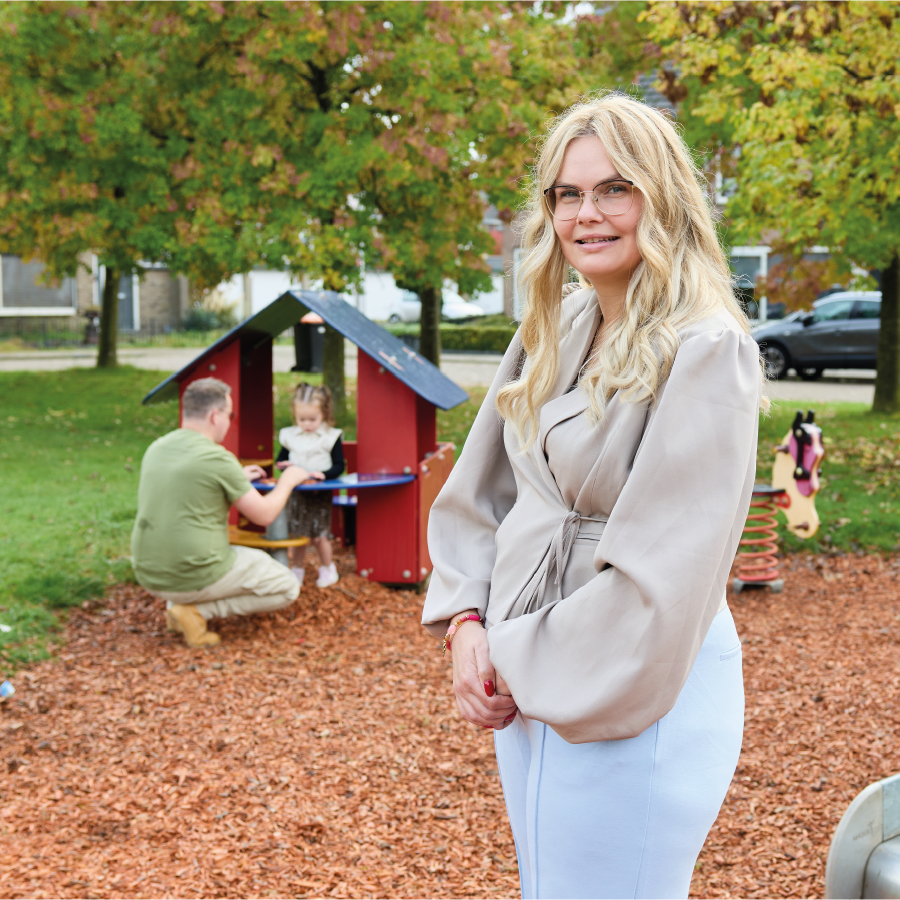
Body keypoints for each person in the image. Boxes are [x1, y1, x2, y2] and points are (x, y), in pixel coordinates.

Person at [421, 92, 764, 900]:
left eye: (616, 188)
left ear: (663, 196)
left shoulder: (708, 349)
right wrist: (468, 621)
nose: (588, 214)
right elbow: (481, 491)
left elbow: (661, 579)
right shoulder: (557, 326)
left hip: (635, 676)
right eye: (567, 194)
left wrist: (510, 650)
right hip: (531, 659)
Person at [131, 377, 309, 648]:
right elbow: (263, 515)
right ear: (216, 415)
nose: (229, 421)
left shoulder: (157, 448)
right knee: (287, 586)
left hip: (148, 572)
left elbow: (194, 480)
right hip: (195, 573)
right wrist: (290, 480)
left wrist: (235, 476)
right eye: (230, 414)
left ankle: (175, 607)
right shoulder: (218, 458)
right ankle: (196, 612)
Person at [275, 382, 344, 588]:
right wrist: (283, 465)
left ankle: (328, 568)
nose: (306, 424)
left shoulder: (330, 437)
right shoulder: (290, 435)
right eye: (301, 419)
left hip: (319, 493)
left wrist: (323, 474)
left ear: (324, 414)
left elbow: (339, 465)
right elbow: (281, 460)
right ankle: (296, 569)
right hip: (297, 491)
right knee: (298, 533)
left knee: (320, 535)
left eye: (312, 419)